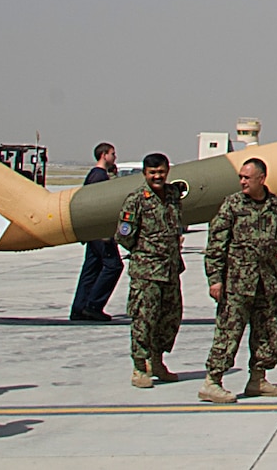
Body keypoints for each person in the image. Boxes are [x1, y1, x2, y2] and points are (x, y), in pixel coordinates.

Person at [199, 157, 277, 404]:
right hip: (237, 281)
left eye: (246, 178)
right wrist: (215, 279)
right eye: (240, 177)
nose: (242, 182)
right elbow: (216, 244)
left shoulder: (276, 206)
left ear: (262, 179)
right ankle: (212, 381)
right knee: (228, 332)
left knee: (267, 330)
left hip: (268, 280)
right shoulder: (232, 205)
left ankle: (257, 379)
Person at [118, 153, 186, 388]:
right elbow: (125, 236)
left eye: (161, 172)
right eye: (152, 173)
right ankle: (139, 367)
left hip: (170, 269)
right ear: (145, 174)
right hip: (146, 272)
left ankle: (157, 361)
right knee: (144, 320)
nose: (157, 176)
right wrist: (146, 251)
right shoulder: (136, 200)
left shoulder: (173, 196)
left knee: (170, 318)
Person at [70, 142, 124, 322]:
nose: (114, 157)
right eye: (112, 154)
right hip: (99, 232)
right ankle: (93, 305)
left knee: (91, 268)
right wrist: (104, 232)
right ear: (104, 155)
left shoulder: (96, 175)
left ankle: (79, 308)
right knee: (113, 266)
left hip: (92, 231)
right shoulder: (98, 176)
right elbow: (95, 205)